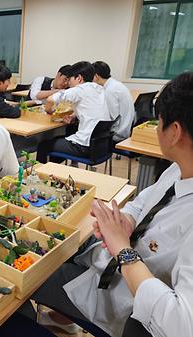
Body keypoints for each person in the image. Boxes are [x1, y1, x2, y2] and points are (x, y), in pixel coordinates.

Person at [20, 71, 193, 337]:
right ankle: (59, 318)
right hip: (108, 262)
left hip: (120, 301)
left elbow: (180, 325)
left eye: (158, 122)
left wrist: (123, 250)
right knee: (56, 243)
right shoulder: (178, 169)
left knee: (22, 274)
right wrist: (126, 220)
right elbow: (143, 202)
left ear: (175, 132)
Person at [36, 61, 110, 163]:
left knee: (43, 145)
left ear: (79, 78)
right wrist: (74, 116)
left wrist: (49, 111)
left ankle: (43, 175)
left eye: (70, 79)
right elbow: (92, 109)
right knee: (60, 139)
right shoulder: (99, 89)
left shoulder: (79, 90)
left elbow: (50, 99)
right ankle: (55, 171)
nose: (68, 83)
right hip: (101, 146)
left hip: (84, 147)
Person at [93, 61, 135, 143]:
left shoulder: (110, 91)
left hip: (117, 134)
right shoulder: (116, 85)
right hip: (126, 129)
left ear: (96, 76)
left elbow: (112, 120)